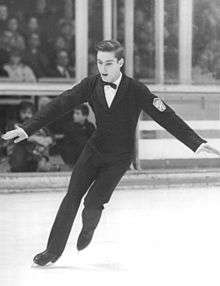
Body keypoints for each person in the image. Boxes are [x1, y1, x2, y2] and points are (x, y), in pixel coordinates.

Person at [2, 40, 220, 266]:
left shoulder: (136, 89)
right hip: (94, 149)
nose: (103, 68)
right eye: (99, 63)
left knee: (93, 201)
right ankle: (52, 251)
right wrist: (27, 129)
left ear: (120, 63)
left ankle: (89, 225)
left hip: (120, 157)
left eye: (108, 63)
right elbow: (59, 104)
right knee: (71, 197)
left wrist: (196, 142)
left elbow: (166, 116)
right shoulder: (91, 84)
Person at [6, 101, 59, 172]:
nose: (26, 116)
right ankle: (43, 166)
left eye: (29, 113)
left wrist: (49, 139)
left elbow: (51, 138)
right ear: (19, 113)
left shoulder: (39, 125)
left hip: (36, 157)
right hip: (19, 158)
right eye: (23, 113)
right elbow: (19, 137)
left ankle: (43, 165)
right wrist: (35, 138)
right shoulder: (14, 124)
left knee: (42, 144)